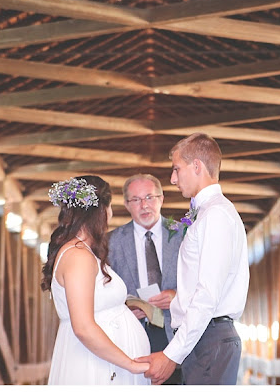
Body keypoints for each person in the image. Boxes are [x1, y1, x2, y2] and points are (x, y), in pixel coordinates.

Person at [138, 132, 250, 385]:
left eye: (177, 169)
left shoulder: (216, 215)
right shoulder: (205, 213)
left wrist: (171, 356)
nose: (172, 178)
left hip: (209, 339)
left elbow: (208, 294)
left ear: (197, 166)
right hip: (203, 338)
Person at [41, 175, 150, 385]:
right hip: (96, 365)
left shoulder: (84, 252)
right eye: (109, 207)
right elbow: (83, 327)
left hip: (105, 362)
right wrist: (131, 364)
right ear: (101, 211)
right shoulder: (78, 256)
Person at [108, 173, 183, 384]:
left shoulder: (185, 234)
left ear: (161, 198)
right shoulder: (111, 242)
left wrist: (179, 295)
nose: (144, 205)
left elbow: (204, 282)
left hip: (177, 336)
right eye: (136, 200)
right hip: (131, 336)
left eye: (149, 197)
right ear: (126, 204)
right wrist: (124, 307)